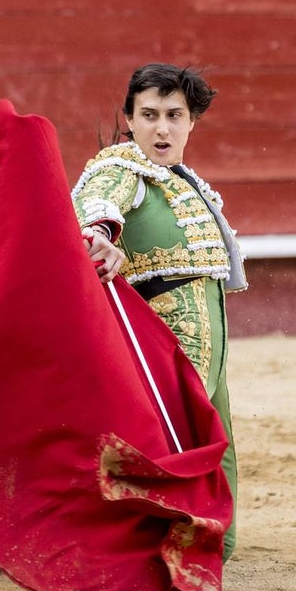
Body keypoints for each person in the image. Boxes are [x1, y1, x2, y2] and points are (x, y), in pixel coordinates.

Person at [74, 63, 247, 561]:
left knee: (216, 448)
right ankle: (127, 552)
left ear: (192, 122)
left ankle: (212, 547)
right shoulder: (120, 168)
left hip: (209, 342)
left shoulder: (178, 179)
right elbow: (99, 203)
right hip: (166, 345)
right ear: (130, 118)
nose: (162, 127)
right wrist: (100, 237)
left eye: (175, 115)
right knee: (166, 446)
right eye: (148, 115)